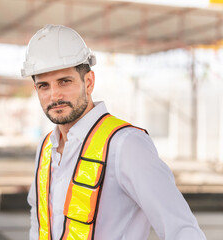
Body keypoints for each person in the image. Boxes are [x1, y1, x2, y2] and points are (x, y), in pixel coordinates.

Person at [22, 24, 206, 240]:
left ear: (88, 82)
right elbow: (39, 225)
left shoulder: (126, 144)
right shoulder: (45, 149)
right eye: (44, 85)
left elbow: (181, 230)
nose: (54, 95)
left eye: (64, 82)